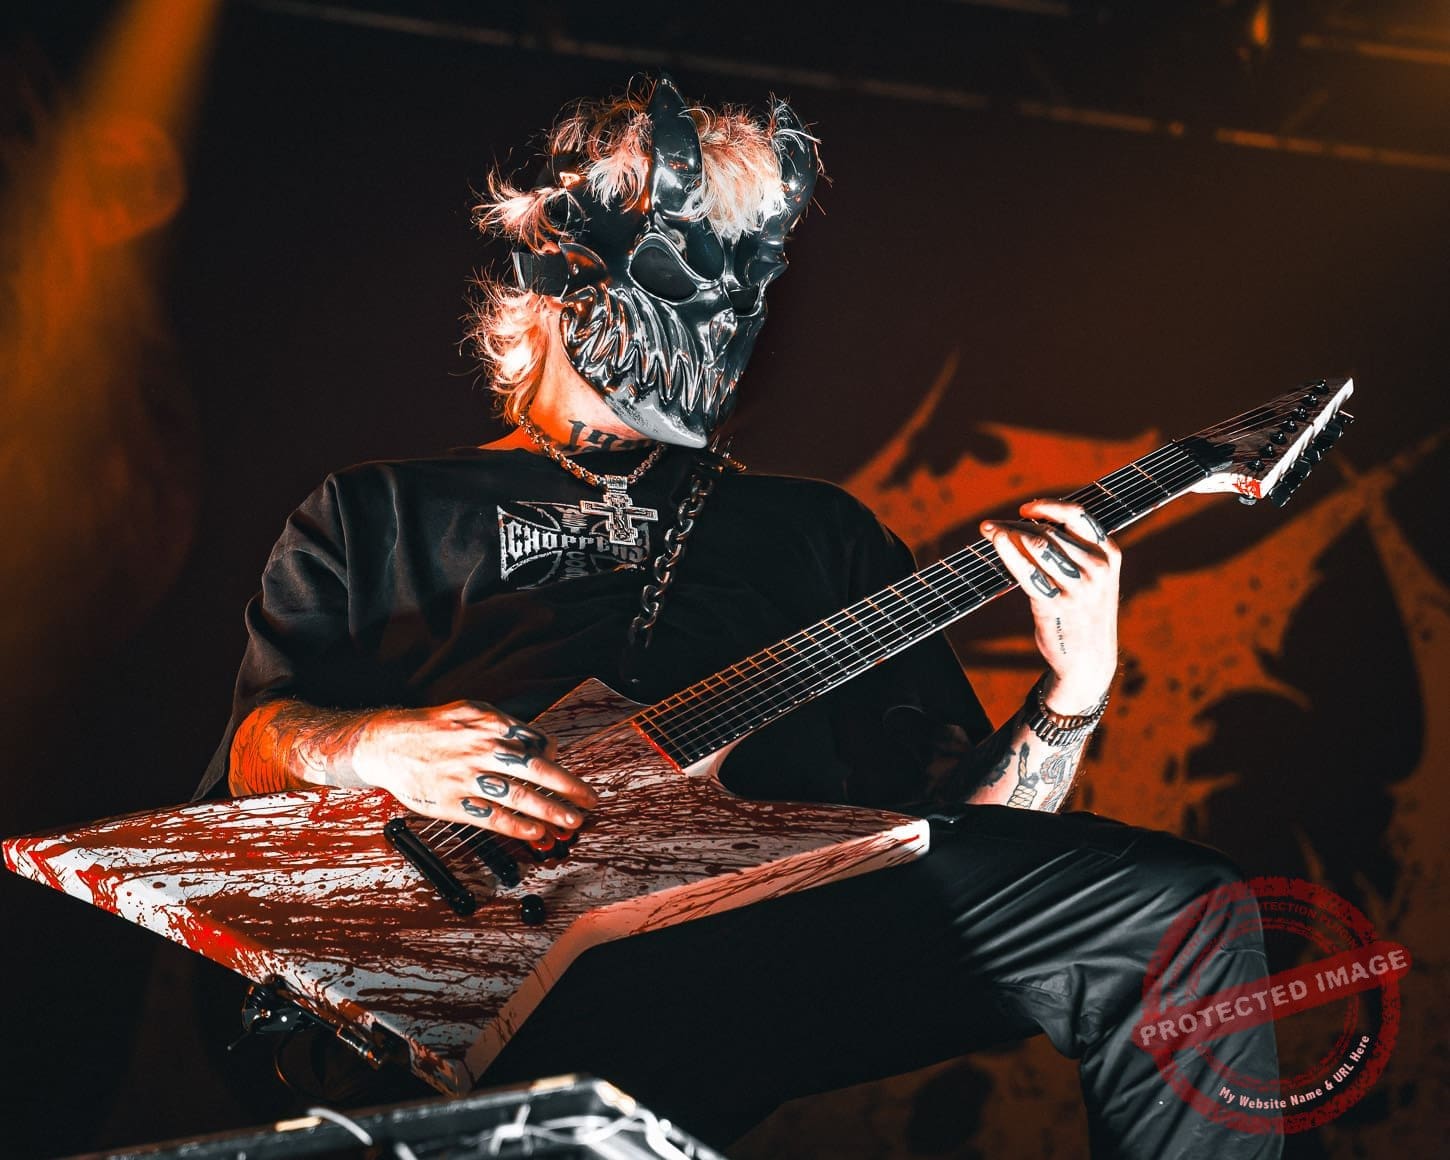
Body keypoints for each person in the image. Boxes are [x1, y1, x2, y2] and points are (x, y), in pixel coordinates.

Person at [201, 75, 1281, 1157]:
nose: (715, 299)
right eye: (681, 251)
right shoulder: (377, 509)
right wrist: (380, 745)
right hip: (473, 939)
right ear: (554, 263)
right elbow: (254, 754)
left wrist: (1072, 692)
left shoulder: (817, 531)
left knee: (1179, 916)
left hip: (758, 928)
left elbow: (964, 832)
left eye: (743, 263)